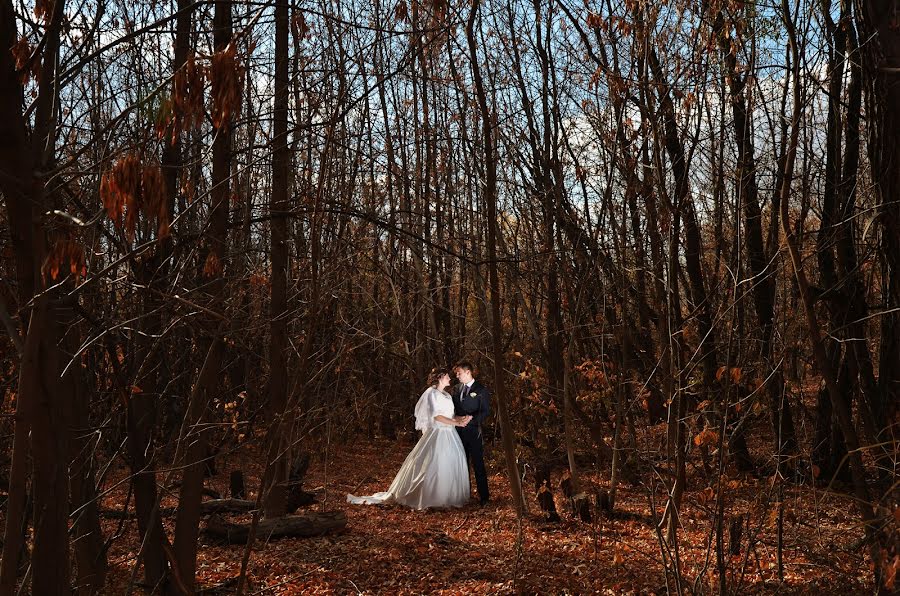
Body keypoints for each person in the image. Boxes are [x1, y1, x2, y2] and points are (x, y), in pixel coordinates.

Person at [347, 368, 471, 510]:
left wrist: (460, 419)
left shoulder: (447, 396)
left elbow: (449, 416)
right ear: (440, 377)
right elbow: (436, 416)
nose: (450, 378)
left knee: (449, 463)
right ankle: (430, 497)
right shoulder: (431, 393)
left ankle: (448, 496)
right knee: (433, 464)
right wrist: (457, 423)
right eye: (447, 376)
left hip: (450, 434)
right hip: (437, 434)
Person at [451, 361, 490, 505]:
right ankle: (464, 495)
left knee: (478, 464)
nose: (457, 376)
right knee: (461, 464)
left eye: (459, 373)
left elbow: (486, 411)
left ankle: (484, 497)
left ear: (468, 372)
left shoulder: (481, 390)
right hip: (458, 433)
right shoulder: (456, 389)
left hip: (474, 432)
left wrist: (472, 420)